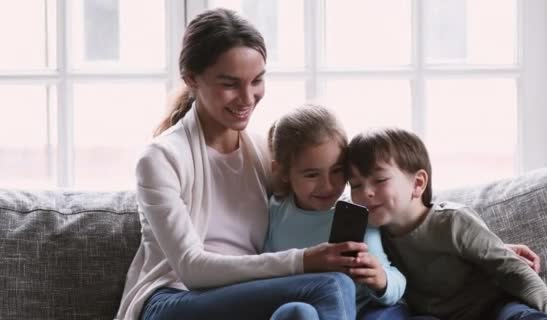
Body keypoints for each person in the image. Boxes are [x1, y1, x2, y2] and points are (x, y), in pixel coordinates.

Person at [115, 8, 368, 320]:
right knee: (330, 286)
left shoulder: (262, 152)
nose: (247, 98)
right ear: (192, 79)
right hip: (173, 300)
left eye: (257, 80)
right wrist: (305, 260)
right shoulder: (161, 158)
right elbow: (192, 269)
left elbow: (312, 201)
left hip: (244, 297)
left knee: (299, 312)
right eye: (230, 83)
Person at [345, 127, 547, 320]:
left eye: (379, 180)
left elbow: (514, 270)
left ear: (418, 183)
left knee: (519, 316)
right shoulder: (372, 234)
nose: (365, 192)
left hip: (494, 309)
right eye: (355, 185)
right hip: (429, 316)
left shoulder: (453, 222)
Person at [263, 105, 438, 320]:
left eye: (336, 171)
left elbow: (395, 280)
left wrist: (380, 279)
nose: (327, 186)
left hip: (366, 310)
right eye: (311, 175)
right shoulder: (275, 211)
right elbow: (266, 271)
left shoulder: (357, 216)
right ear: (282, 173)